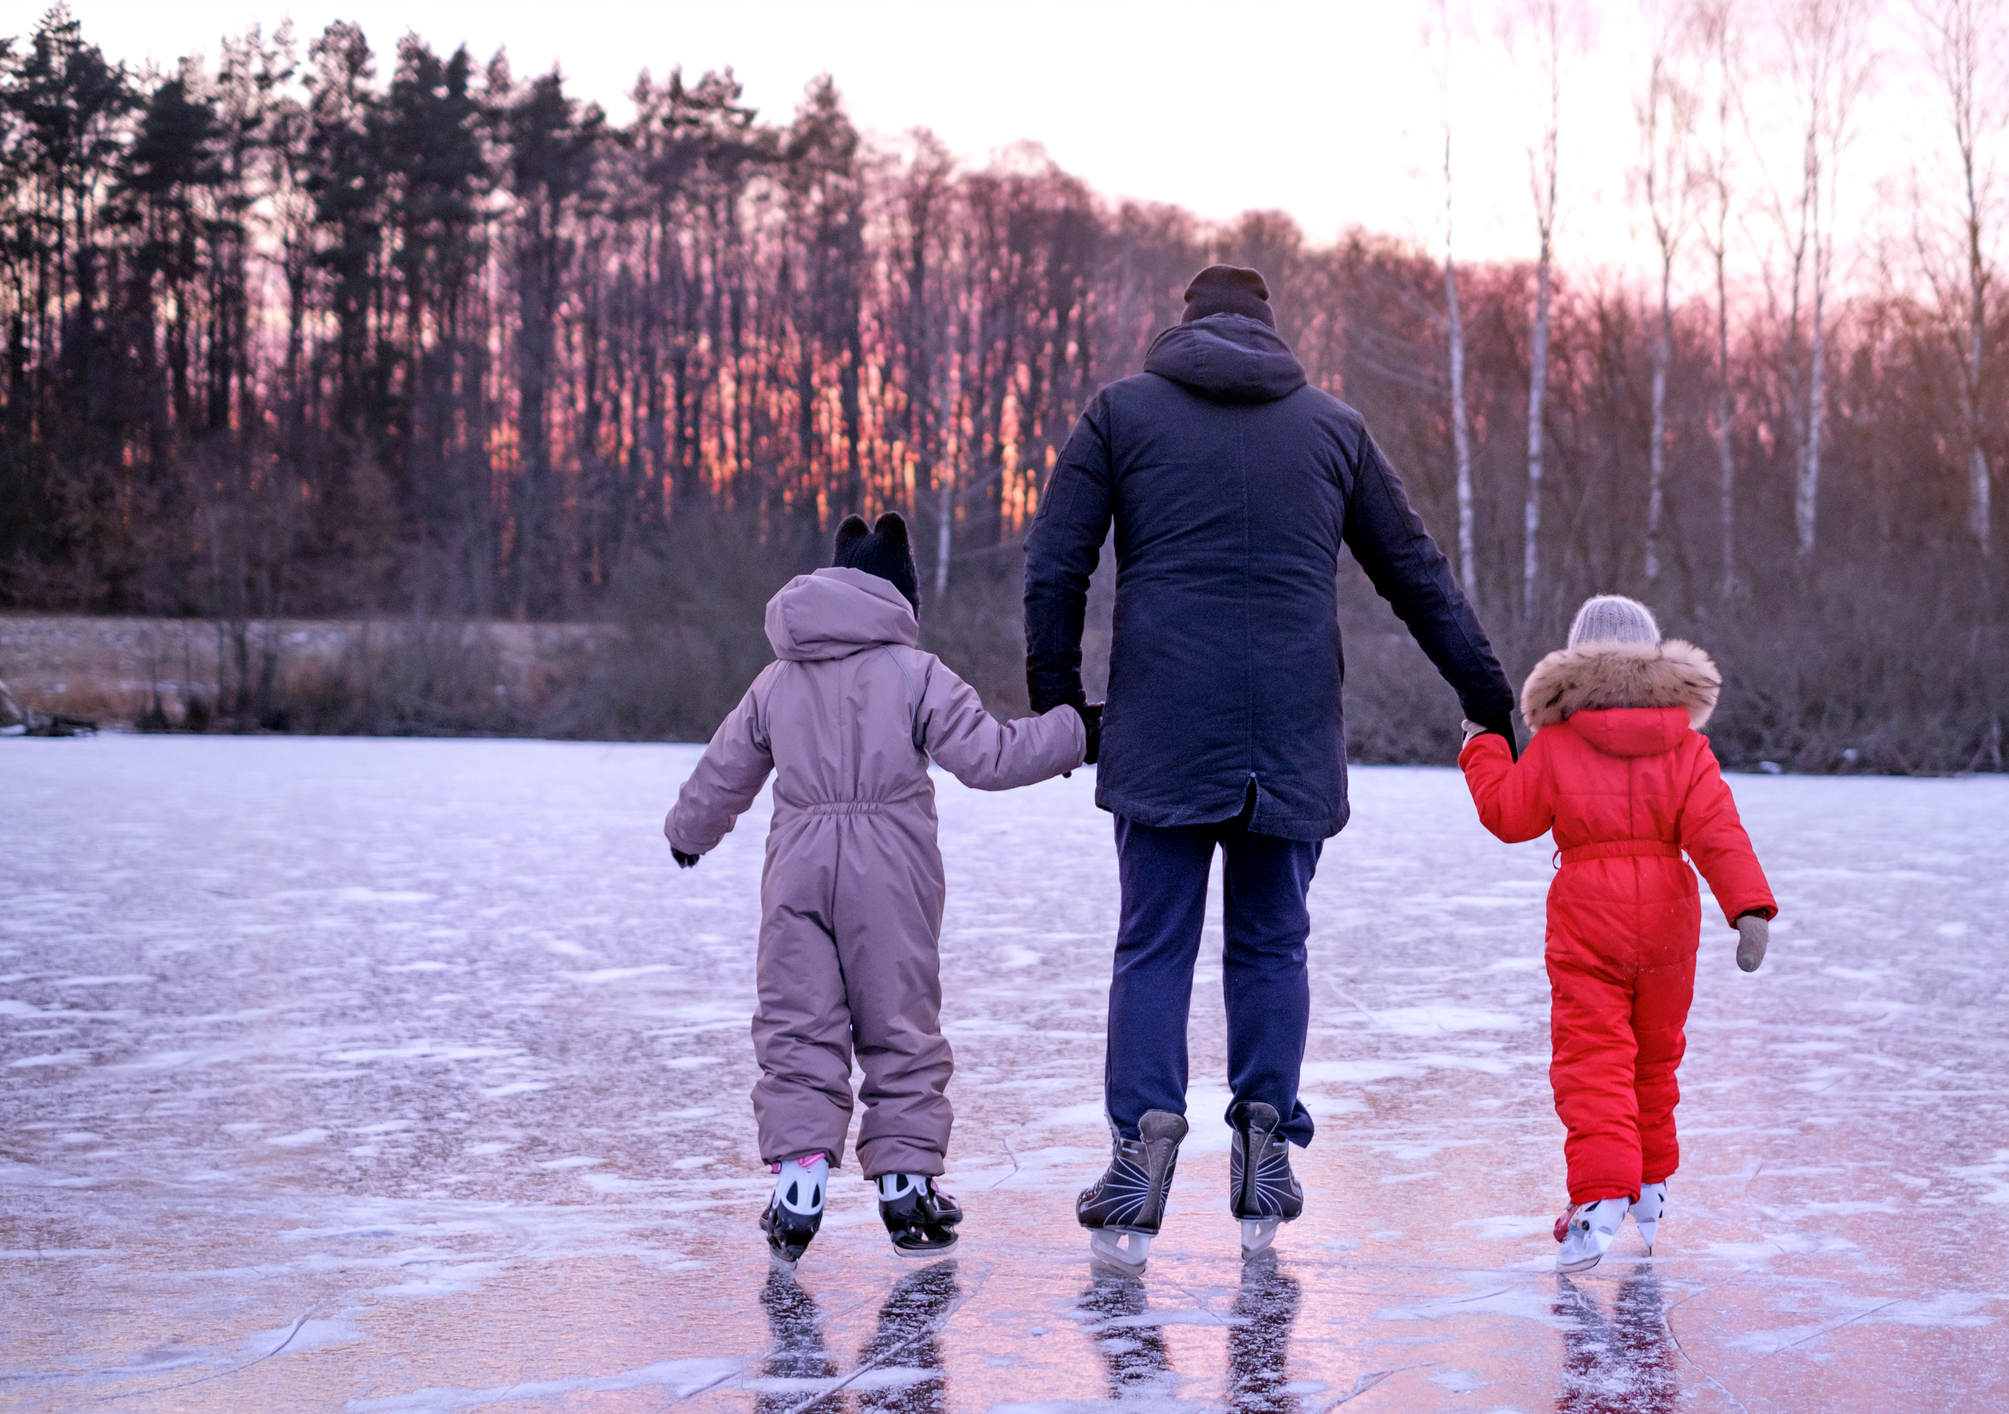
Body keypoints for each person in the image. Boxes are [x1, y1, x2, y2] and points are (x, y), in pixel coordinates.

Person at [1023, 265, 1518, 1271]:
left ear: (1186, 318)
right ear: (1271, 329)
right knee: (1272, 944)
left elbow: (1056, 561)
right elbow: (1415, 573)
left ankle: (1141, 1145)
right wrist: (1489, 695)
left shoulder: (1120, 413)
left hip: (1162, 721)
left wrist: (1059, 704)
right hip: (1291, 732)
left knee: (1153, 943)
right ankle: (1263, 1136)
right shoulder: (1333, 427)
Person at [666, 513, 1090, 1263]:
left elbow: (722, 769)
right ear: (901, 595)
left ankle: (798, 1178)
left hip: (796, 865)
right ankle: (904, 1185)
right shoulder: (915, 674)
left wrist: (687, 833)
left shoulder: (775, 680)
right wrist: (1076, 732)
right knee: (898, 1025)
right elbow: (988, 756)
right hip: (890, 870)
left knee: (797, 1024)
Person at [1458, 594, 1778, 1273]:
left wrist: (1481, 746)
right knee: (1653, 1061)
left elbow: (1508, 816)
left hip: (1587, 920)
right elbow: (1716, 833)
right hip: (1668, 919)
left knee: (1593, 1060)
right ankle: (1651, 1189)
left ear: (1574, 665)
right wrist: (1747, 909)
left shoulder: (1556, 744)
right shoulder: (1687, 750)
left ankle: (1602, 1195)